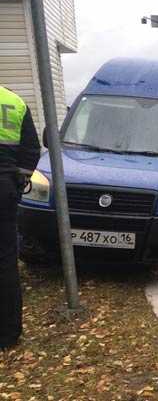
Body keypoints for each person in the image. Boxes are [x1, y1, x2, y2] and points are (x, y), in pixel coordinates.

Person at [0, 85, 41, 350]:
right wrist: (19, 180)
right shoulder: (13, 101)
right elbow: (31, 150)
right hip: (4, 187)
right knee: (5, 261)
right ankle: (8, 335)